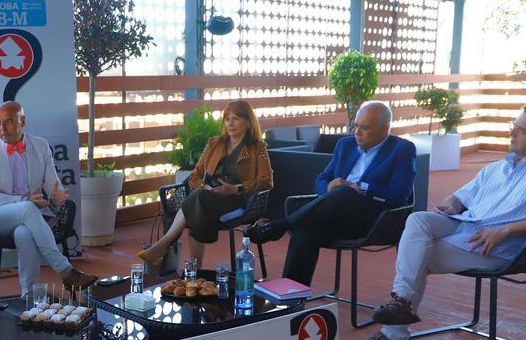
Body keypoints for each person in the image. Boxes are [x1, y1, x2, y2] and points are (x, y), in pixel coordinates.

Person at [348, 102, 526, 340]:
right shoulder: (497, 167)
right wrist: (450, 206)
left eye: (520, 130)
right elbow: (458, 198)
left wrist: (506, 230)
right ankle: (401, 303)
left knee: (418, 254)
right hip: (466, 227)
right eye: (512, 127)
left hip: (503, 247)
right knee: (418, 220)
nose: (511, 134)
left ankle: (393, 335)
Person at [245, 101, 416, 287]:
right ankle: (292, 299)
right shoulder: (345, 145)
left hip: (372, 221)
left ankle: (281, 225)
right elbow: (320, 180)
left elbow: (399, 196)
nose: (357, 133)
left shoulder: (402, 150)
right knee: (304, 233)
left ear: (384, 130)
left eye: (364, 128)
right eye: (355, 126)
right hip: (332, 216)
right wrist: (330, 187)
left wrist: (360, 187)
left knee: (346, 192)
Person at [0, 101, 97, 296]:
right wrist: (25, 200)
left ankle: (29, 293)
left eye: (8, 122)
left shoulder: (40, 145)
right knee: (27, 208)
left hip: (30, 216)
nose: (2, 128)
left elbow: (52, 184)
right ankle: (66, 271)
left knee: (24, 233)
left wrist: (57, 197)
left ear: (22, 121)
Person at [139, 100, 273, 269]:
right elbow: (194, 176)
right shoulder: (214, 144)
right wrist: (205, 187)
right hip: (207, 196)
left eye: (236, 118)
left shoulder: (257, 148)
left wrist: (236, 188)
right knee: (199, 201)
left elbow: (266, 180)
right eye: (227, 119)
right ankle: (193, 270)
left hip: (236, 202)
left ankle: (165, 247)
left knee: (197, 201)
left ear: (248, 122)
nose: (230, 123)